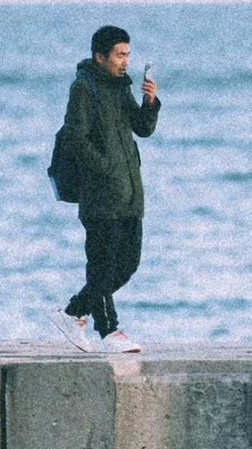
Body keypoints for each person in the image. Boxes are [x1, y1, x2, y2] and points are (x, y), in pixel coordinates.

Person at [49, 24, 160, 353]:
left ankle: (72, 312)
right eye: (119, 55)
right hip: (100, 196)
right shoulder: (84, 88)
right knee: (101, 265)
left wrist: (150, 103)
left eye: (128, 54)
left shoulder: (120, 87)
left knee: (127, 264)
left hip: (128, 194)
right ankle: (109, 331)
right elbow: (74, 136)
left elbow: (142, 129)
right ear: (100, 57)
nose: (125, 61)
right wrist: (105, 169)